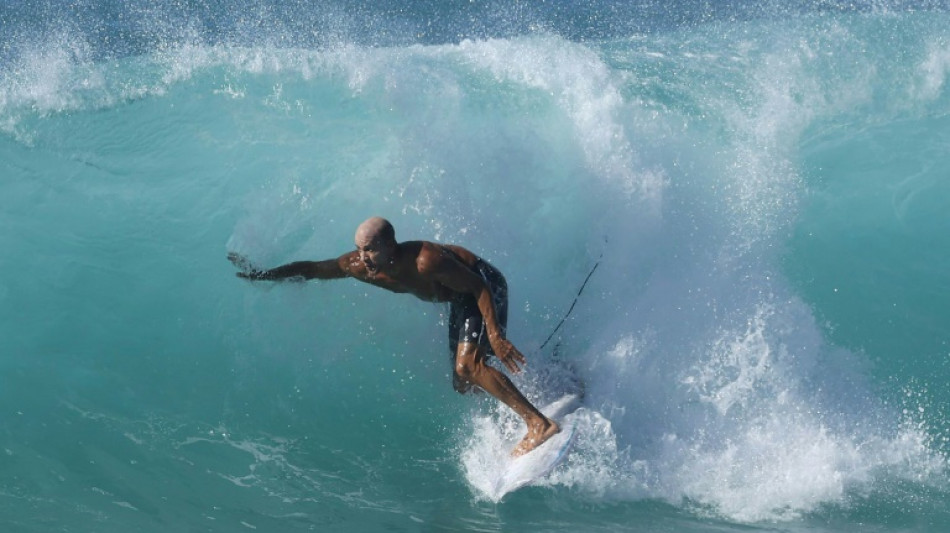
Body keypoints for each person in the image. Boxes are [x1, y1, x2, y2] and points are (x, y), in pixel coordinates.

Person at [228, 216, 560, 456]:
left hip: (482, 286)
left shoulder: (426, 261)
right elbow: (314, 268)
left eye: (369, 249)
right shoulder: (359, 266)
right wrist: (265, 274)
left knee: (469, 367)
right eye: (358, 248)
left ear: (390, 245)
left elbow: (478, 286)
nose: (362, 256)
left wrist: (495, 335)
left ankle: (538, 424)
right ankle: (531, 392)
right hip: (459, 298)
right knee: (463, 383)